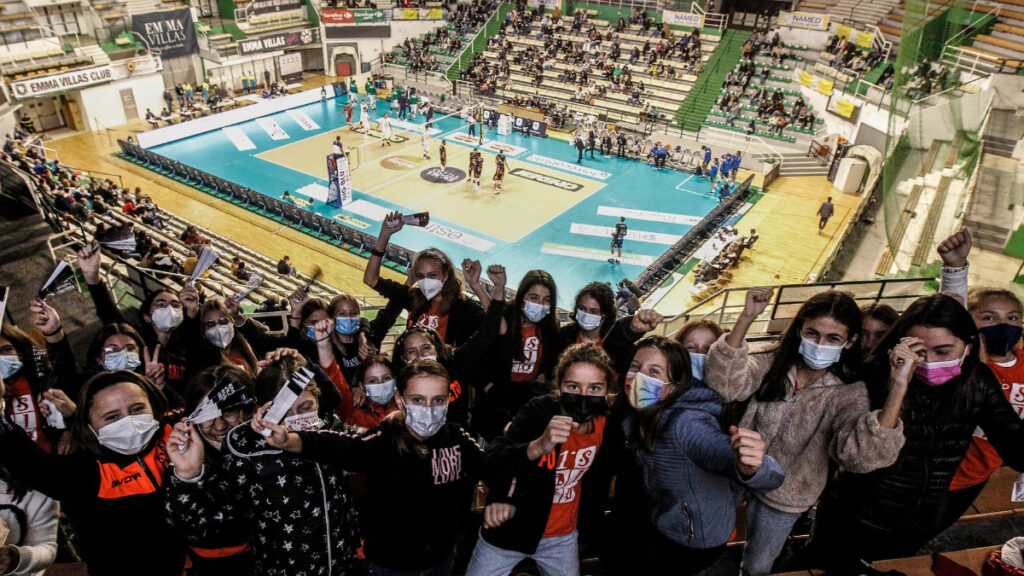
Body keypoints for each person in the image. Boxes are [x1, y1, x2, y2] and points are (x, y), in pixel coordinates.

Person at [806, 292, 1024, 572]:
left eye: (943, 352)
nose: (930, 362)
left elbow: (1013, 443)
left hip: (921, 516)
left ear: (968, 347)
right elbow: (861, 457)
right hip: (855, 512)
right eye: (919, 352)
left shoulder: (976, 381)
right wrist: (898, 385)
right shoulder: (873, 374)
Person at [704, 289, 907, 576]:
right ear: (800, 330)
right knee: (708, 533)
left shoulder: (850, 392)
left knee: (758, 564)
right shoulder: (773, 361)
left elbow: (859, 456)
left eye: (832, 338)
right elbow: (726, 383)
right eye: (812, 333)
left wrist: (898, 386)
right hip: (736, 470)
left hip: (788, 494)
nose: (820, 344)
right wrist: (747, 317)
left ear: (849, 342)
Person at [255, 359, 483, 576]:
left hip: (442, 559)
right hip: (392, 567)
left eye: (438, 400)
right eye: (418, 400)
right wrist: (288, 441)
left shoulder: (456, 437)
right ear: (401, 400)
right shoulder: (383, 442)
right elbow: (337, 446)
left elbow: (489, 465)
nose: (429, 409)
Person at [166, 352, 361, 576]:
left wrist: (305, 364)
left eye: (229, 412)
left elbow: (366, 452)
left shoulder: (330, 429)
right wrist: (187, 476)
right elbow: (201, 526)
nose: (219, 425)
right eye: (208, 416)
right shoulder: (245, 453)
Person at [620, 336, 784, 574]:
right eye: (635, 367)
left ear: (674, 386)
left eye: (654, 371)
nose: (639, 376)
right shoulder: (641, 415)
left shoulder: (687, 424)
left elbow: (768, 474)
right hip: (668, 522)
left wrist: (754, 468)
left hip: (695, 538)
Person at [0, 370, 187, 576]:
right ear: (91, 428)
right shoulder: (83, 473)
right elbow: (26, 460)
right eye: (112, 417)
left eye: (137, 409)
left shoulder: (178, 437)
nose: (128, 421)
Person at [466, 343, 617, 576]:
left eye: (595, 388)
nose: (583, 396)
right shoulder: (539, 412)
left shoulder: (607, 426)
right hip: (510, 531)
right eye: (573, 386)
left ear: (607, 391)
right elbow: (492, 462)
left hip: (562, 537)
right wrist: (538, 446)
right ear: (559, 386)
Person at [364, 219, 484, 347]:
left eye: (432, 275)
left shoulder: (463, 307)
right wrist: (384, 234)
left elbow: (497, 324)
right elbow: (371, 280)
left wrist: (476, 285)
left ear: (446, 275)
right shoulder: (413, 297)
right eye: (420, 276)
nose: (426, 281)